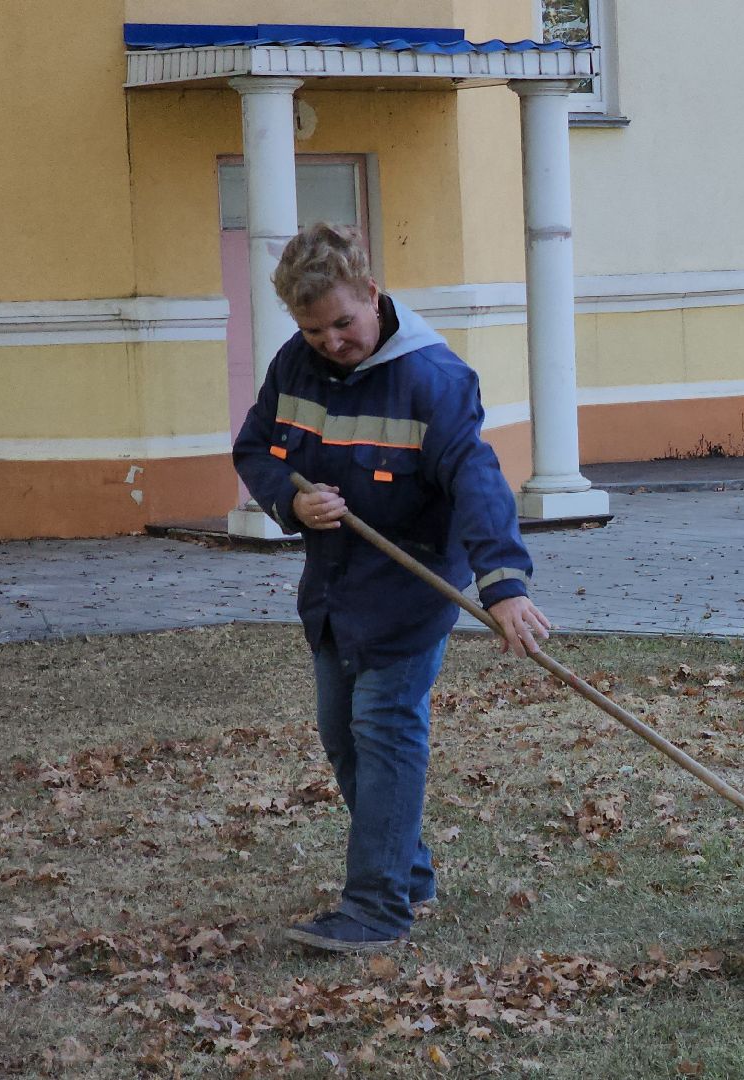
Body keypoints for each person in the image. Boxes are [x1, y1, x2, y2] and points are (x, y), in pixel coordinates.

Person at [234, 222, 552, 953]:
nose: (332, 342)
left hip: (408, 594)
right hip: (333, 594)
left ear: (372, 296)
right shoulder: (295, 367)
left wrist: (503, 584)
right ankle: (406, 871)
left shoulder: (434, 380)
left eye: (343, 323)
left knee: (383, 731)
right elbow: (255, 446)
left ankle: (376, 907)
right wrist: (291, 496)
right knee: (341, 738)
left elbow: (478, 483)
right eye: (314, 330)